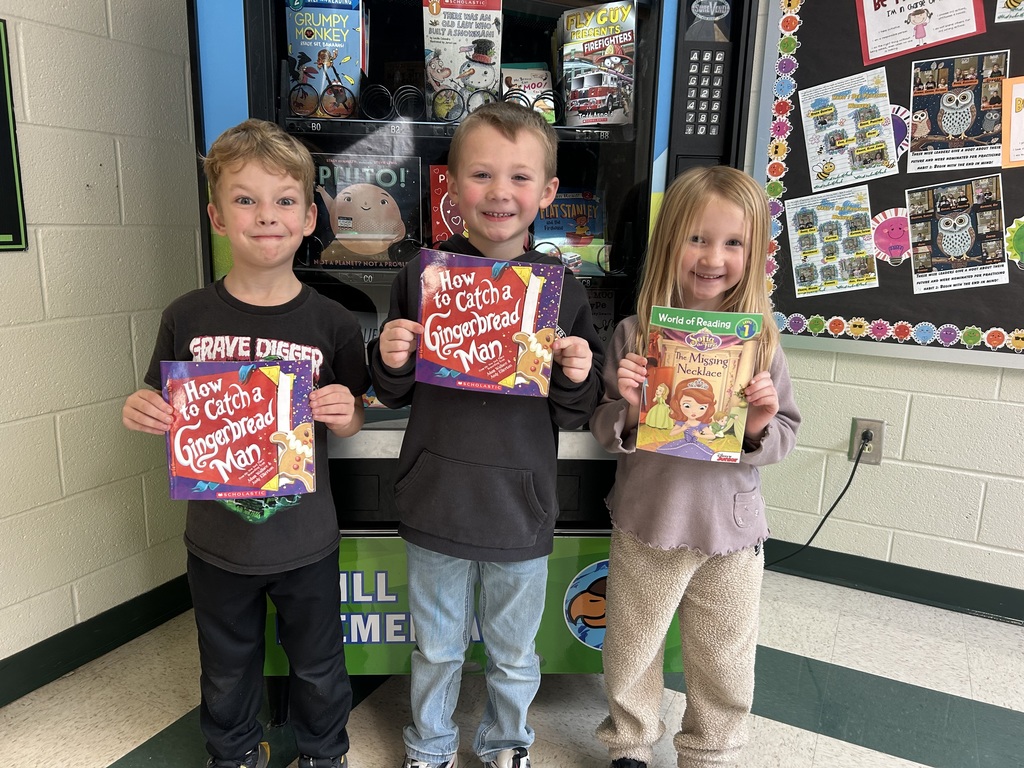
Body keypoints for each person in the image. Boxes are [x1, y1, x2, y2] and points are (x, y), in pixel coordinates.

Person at [122, 118, 369, 768]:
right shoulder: (186, 317)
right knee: (226, 667)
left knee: (319, 664)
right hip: (216, 540)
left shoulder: (333, 321)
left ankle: (325, 752)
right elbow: (162, 401)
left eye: (285, 201)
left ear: (310, 217)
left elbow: (351, 417)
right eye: (245, 199)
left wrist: (344, 413)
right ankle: (233, 754)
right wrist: (145, 408)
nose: (267, 216)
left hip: (305, 538)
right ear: (217, 216)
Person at [368, 101, 604, 768]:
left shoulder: (562, 289)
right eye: (481, 175)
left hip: (520, 508)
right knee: (436, 649)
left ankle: (506, 744)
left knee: (513, 653)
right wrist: (388, 357)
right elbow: (394, 391)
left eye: (520, 178)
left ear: (548, 192)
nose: (500, 192)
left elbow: (573, 410)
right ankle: (431, 745)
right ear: (451, 184)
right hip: (435, 499)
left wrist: (579, 371)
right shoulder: (422, 277)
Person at [591, 166, 801, 768]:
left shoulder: (761, 341)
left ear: (754, 253)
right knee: (633, 649)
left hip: (731, 532)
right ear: (668, 245)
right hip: (649, 521)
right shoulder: (636, 337)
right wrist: (630, 410)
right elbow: (606, 425)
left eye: (733, 242)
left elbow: (785, 432)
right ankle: (630, 746)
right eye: (697, 238)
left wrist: (758, 422)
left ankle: (712, 751)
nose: (713, 257)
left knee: (725, 656)